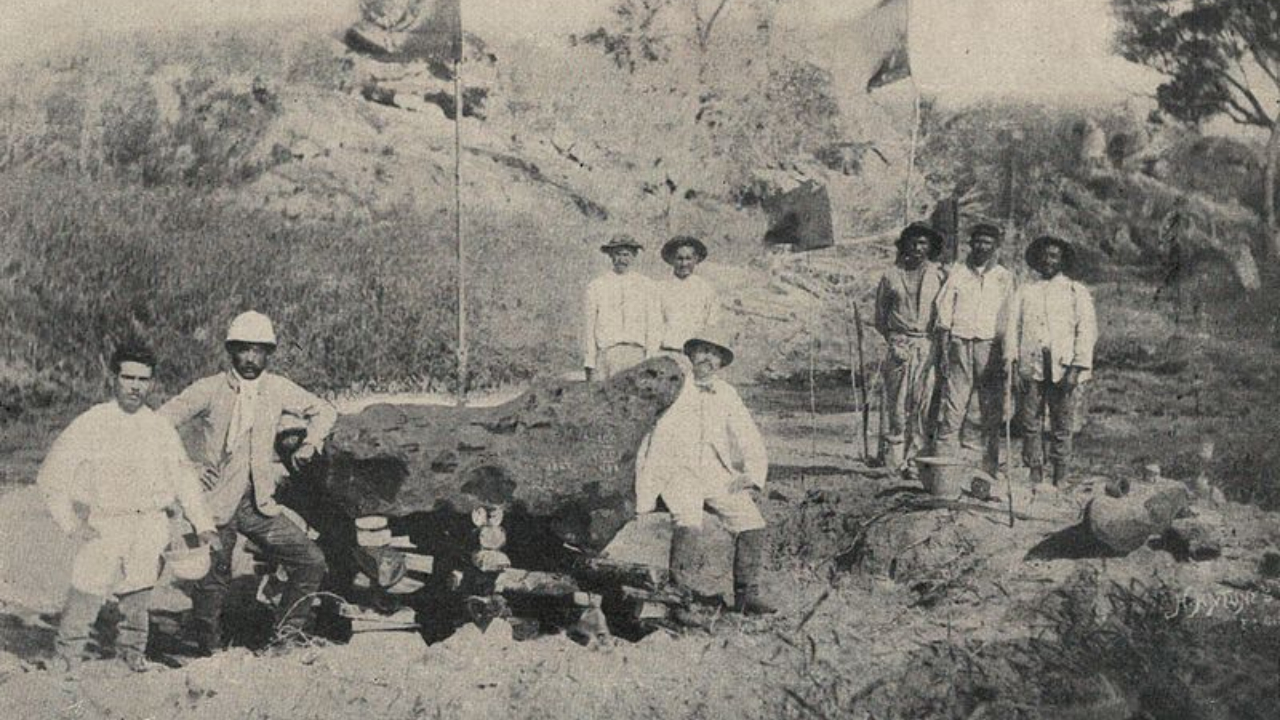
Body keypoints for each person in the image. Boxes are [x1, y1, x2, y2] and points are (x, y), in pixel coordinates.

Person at [160, 311, 337, 653]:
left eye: (260, 350)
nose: (251, 358)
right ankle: (206, 649)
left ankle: (285, 638)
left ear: (269, 353)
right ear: (231, 351)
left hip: (259, 504)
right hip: (213, 505)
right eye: (244, 349)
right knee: (213, 580)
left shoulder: (277, 388)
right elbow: (160, 423)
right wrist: (189, 466)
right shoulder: (209, 389)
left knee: (311, 560)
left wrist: (311, 442)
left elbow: (324, 410)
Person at [38, 342, 217, 673]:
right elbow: (51, 475)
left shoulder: (159, 427)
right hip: (106, 521)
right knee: (87, 585)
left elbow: (184, 478)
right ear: (113, 378)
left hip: (150, 522)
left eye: (143, 379)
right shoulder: (93, 422)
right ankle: (66, 658)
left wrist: (203, 523)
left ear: (152, 383)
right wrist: (71, 523)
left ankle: (130, 658)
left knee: (139, 591)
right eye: (128, 377)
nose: (135, 386)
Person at [635, 334, 775, 615]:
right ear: (691, 355)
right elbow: (646, 431)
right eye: (703, 351)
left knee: (751, 521)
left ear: (722, 361)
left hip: (714, 470)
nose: (708, 359)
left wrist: (752, 473)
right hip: (677, 470)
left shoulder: (726, 393)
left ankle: (746, 594)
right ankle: (680, 599)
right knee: (688, 519)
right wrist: (643, 480)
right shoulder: (674, 386)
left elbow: (747, 433)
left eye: (715, 354)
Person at [1005, 236, 1097, 486]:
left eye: (1054, 256)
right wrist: (1013, 365)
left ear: (1062, 260)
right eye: (1045, 256)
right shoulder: (1025, 291)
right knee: (1030, 421)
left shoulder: (1075, 291)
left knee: (1062, 422)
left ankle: (1060, 475)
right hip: (1031, 366)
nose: (1049, 261)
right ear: (1037, 259)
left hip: (1063, 367)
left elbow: (1086, 332)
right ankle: (1035, 472)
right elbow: (1013, 329)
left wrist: (1076, 369)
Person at [932, 223, 1016, 475]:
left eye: (987, 242)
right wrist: (946, 340)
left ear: (995, 246)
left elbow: (1009, 316)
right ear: (971, 244)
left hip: (989, 345)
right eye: (978, 241)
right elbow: (944, 306)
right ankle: (944, 463)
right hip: (960, 342)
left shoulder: (1003, 277)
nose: (982, 246)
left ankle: (988, 465)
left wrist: (1008, 350)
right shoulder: (958, 273)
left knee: (990, 406)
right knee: (954, 402)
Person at [874, 222, 946, 476]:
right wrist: (894, 340)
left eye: (923, 243)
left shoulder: (939, 275)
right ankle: (893, 462)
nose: (917, 248)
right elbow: (880, 316)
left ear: (930, 247)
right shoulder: (890, 275)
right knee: (896, 404)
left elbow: (944, 312)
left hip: (927, 345)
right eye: (913, 243)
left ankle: (915, 461)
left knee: (923, 405)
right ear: (904, 245)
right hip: (899, 345)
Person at [583, 234, 659, 381]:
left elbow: (653, 325)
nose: (622, 259)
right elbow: (589, 328)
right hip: (606, 355)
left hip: (636, 355)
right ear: (611, 255)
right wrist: (590, 362)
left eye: (626, 254)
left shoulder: (647, 285)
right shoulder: (596, 286)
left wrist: (650, 360)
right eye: (618, 254)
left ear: (634, 256)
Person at [656, 235, 720, 356]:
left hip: (695, 355)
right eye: (679, 258)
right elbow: (653, 324)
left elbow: (712, 325)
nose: (684, 263)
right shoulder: (659, 288)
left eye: (688, 258)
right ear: (671, 260)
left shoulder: (706, 289)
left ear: (696, 259)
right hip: (666, 352)